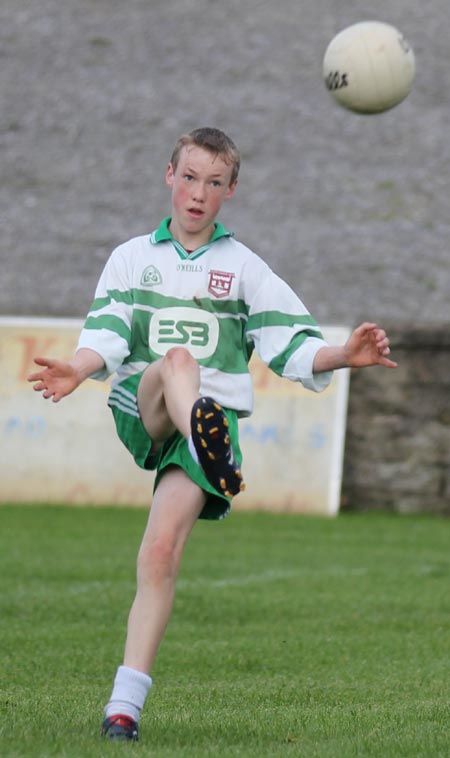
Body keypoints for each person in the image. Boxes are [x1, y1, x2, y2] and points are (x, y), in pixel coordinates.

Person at [28, 126, 397, 742]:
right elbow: (109, 333)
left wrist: (344, 354)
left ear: (231, 191)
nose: (200, 193)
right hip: (145, 409)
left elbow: (289, 344)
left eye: (215, 183)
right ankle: (204, 442)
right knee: (175, 362)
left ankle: (124, 709)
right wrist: (78, 367)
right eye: (191, 177)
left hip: (209, 423)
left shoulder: (244, 268)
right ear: (169, 175)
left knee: (159, 552)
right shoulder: (130, 257)